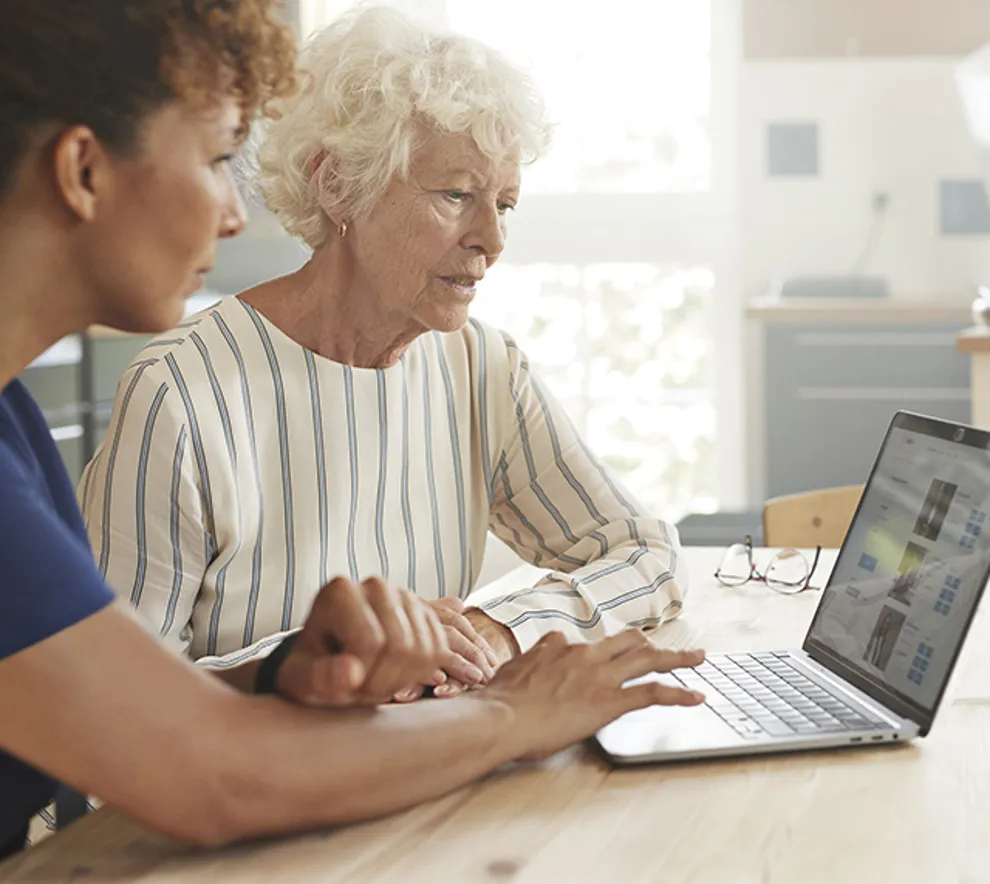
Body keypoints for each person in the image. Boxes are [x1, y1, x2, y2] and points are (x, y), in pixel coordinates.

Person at [0, 0, 706, 862]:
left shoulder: (14, 423)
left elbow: (109, 701)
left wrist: (293, 667)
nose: (233, 214)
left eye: (505, 204)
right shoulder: (174, 393)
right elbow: (160, 760)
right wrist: (511, 713)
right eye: (220, 157)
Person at [81, 4, 691, 701]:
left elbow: (648, 554)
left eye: (506, 204)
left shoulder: (481, 369)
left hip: (429, 780)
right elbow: (114, 706)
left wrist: (500, 627)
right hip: (253, 797)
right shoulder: (181, 392)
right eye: (457, 195)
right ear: (338, 184)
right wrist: (321, 665)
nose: (491, 239)